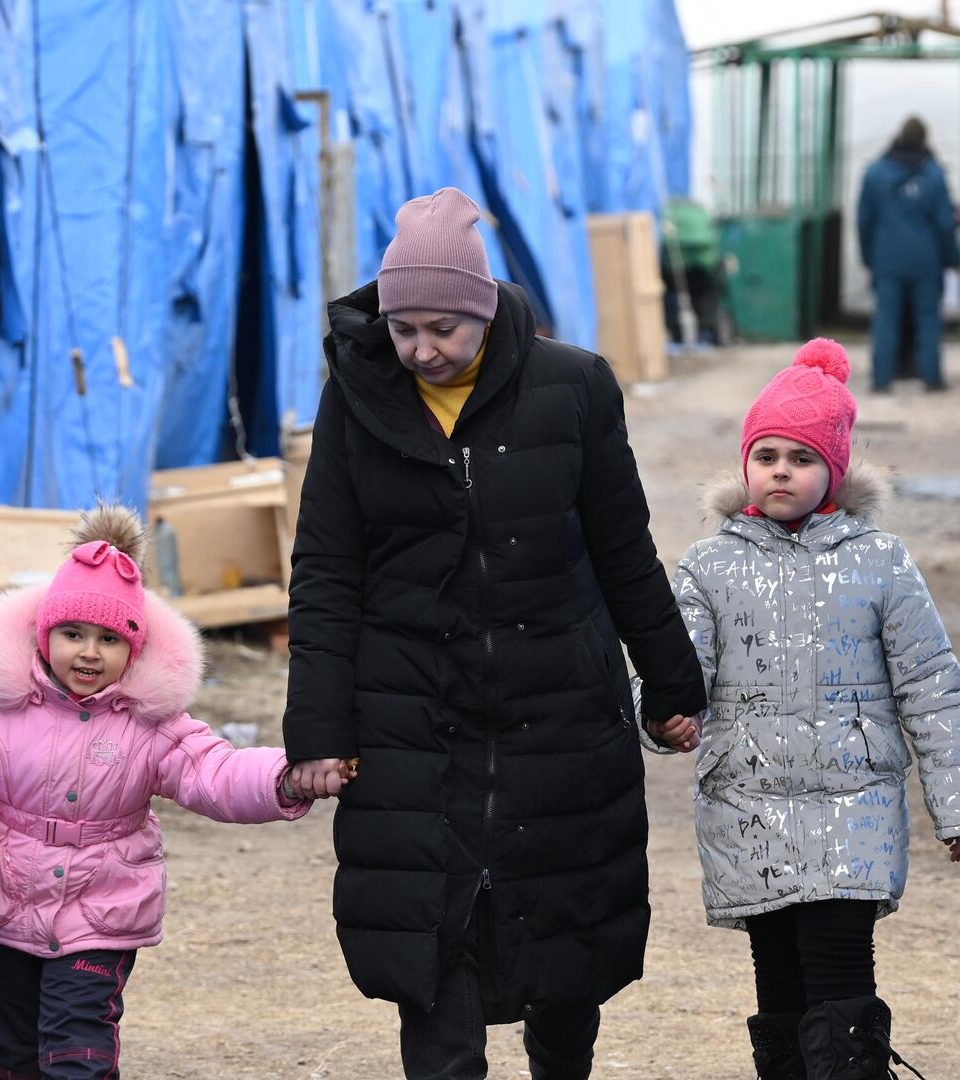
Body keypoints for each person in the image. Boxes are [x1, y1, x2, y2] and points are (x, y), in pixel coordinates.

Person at [282, 187, 707, 1080]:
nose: (421, 351)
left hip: (556, 708)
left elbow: (624, 549)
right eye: (404, 331)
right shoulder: (356, 399)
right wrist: (317, 731)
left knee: (563, 951)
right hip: (408, 714)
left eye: (442, 328)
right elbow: (326, 570)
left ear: (480, 307)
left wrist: (671, 686)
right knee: (432, 950)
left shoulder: (575, 387)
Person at [664, 339, 960, 1079]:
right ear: (747, 463)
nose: (782, 469)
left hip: (854, 805)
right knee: (778, 977)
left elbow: (931, 684)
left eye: (803, 458)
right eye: (768, 454)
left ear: (835, 472)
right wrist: (665, 718)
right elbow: (677, 673)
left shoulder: (879, 560)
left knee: (841, 969)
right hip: (747, 806)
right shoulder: (708, 564)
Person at [0, 505, 313, 1080]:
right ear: (44, 633)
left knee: (77, 1049)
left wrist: (285, 776)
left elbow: (214, 772)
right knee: (13, 1049)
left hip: (101, 907)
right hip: (10, 905)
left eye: (109, 638)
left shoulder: (149, 720)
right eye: (72, 634)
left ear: (134, 647)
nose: (88, 652)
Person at [858, 117, 960, 393]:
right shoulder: (934, 174)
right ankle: (932, 378)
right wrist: (953, 258)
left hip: (887, 258)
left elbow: (863, 220)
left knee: (886, 319)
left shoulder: (875, 172)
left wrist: (868, 257)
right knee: (928, 319)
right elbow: (945, 222)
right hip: (926, 259)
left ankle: (881, 380)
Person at [660, 195, 723, 346]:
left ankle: (686, 335)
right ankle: (707, 334)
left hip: (685, 269)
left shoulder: (674, 215)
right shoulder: (697, 214)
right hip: (699, 268)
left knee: (675, 300)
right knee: (703, 298)